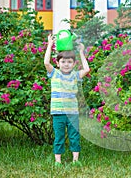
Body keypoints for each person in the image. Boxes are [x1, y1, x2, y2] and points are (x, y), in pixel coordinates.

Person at [44, 34, 90, 167]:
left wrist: (81, 52)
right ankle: (58, 161)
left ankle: (75, 160)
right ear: (57, 63)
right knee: (59, 138)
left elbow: (86, 69)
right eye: (63, 62)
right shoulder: (55, 73)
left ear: (74, 64)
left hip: (72, 113)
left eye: (69, 62)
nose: (66, 64)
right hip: (58, 112)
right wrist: (49, 45)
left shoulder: (75, 75)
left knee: (74, 136)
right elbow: (46, 62)